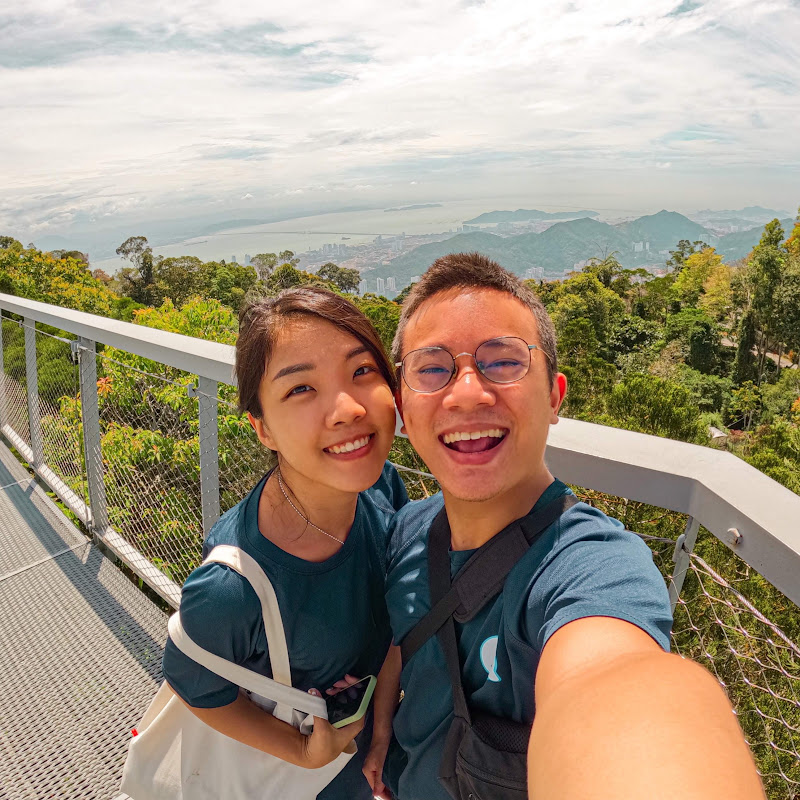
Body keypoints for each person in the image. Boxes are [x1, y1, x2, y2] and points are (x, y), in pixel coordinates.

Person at [383, 252, 764, 800]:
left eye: (503, 361)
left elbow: (618, 684)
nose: (467, 393)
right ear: (402, 407)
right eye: (432, 368)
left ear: (554, 396)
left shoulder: (591, 566)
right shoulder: (404, 534)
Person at [162, 286, 408, 799]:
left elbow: (391, 628)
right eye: (300, 389)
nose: (347, 409)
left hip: (362, 762)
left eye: (362, 370)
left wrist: (383, 730)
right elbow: (194, 686)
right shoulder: (231, 588)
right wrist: (300, 751)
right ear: (263, 429)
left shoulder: (382, 489)